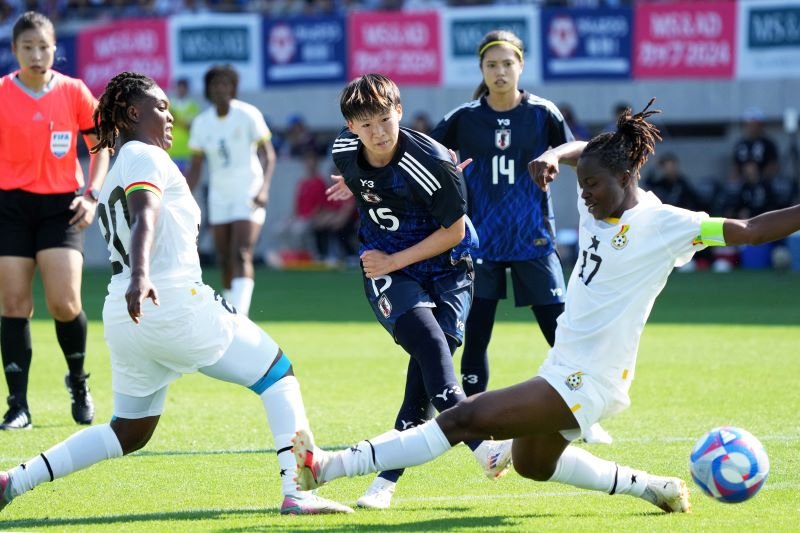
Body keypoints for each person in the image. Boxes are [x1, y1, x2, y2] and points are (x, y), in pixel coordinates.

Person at [294, 99, 800, 514]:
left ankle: (330, 466)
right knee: (534, 463)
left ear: (628, 176)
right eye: (582, 186)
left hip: (590, 379)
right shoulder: (596, 194)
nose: (586, 196)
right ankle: (652, 486)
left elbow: (751, 230)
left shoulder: (668, 225)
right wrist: (560, 154)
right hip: (563, 365)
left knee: (464, 419)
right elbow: (591, 154)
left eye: (594, 185)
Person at [0, 71, 353, 516]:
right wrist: (141, 274)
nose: (169, 117)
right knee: (279, 374)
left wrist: (136, 279)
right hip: (167, 300)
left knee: (129, 431)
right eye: (161, 107)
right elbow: (145, 213)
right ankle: (299, 490)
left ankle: (13, 481)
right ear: (132, 113)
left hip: (126, 313)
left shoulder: (114, 169)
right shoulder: (144, 156)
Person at [325, 73, 513, 508]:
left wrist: (394, 259)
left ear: (401, 113)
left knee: (424, 386)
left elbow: (454, 231)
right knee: (431, 346)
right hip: (390, 269)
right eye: (365, 124)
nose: (377, 132)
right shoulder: (343, 149)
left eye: (385, 120)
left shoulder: (431, 161)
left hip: (449, 268)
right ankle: (483, 447)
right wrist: (352, 184)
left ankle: (383, 483)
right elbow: (362, 174)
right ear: (351, 126)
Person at [430, 30, 612, 461]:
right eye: (491, 65)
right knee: (476, 336)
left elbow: (579, 147)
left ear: (521, 66)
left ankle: (585, 414)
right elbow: (423, 150)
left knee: (562, 332)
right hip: (480, 244)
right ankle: (473, 420)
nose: (499, 71)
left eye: (507, 63)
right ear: (481, 70)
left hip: (533, 240)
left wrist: (554, 156)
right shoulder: (464, 117)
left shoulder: (542, 113)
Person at [0, 11, 110, 430]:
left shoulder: (74, 91)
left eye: (44, 46)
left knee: (64, 303)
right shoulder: (2, 93)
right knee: (14, 304)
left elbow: (101, 144)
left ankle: (79, 383)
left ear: (54, 49)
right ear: (14, 51)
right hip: (9, 206)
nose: (36, 54)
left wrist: (93, 195)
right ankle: (17, 405)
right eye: (27, 47)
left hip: (61, 207)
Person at [186, 64, 276, 317]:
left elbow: (269, 155)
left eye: (225, 83)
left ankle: (241, 318)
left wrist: (264, 188)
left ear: (233, 87)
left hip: (249, 192)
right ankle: (231, 313)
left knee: (241, 252)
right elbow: (195, 168)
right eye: (215, 84)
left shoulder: (248, 115)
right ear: (208, 89)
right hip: (218, 197)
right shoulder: (202, 123)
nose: (220, 89)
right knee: (224, 258)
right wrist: (180, 196)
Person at [165, 77, 199, 173]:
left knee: (184, 183)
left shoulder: (193, 106)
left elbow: (190, 126)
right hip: (170, 150)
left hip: (186, 151)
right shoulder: (169, 105)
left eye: (183, 88)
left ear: (187, 89)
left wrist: (175, 117)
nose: (181, 90)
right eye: (179, 87)